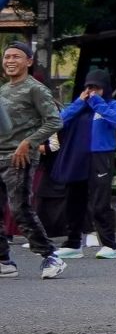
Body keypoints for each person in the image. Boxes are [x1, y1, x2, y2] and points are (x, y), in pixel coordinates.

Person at [0, 41, 66, 280]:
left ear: (28, 61)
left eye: (16, 56)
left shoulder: (35, 89)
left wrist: (28, 142)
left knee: (20, 209)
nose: (10, 61)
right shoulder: (3, 91)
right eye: (7, 57)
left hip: (21, 158)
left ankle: (51, 255)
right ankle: (4, 261)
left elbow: (55, 121)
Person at [50, 67, 116, 260]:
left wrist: (98, 102)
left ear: (105, 88)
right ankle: (73, 243)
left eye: (97, 87)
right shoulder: (79, 107)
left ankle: (109, 245)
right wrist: (79, 102)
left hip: (101, 156)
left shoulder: (112, 104)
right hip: (77, 157)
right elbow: (59, 121)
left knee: (100, 201)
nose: (92, 91)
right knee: (73, 200)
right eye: (89, 87)